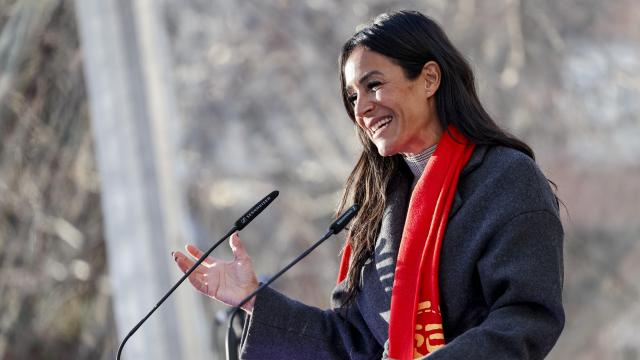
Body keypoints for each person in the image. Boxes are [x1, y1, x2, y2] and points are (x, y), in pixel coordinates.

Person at [173, 10, 564, 360]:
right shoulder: (379, 204)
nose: (361, 108)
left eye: (373, 85)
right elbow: (351, 341)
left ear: (429, 78)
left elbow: (526, 318)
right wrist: (253, 299)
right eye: (352, 95)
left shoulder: (505, 179)